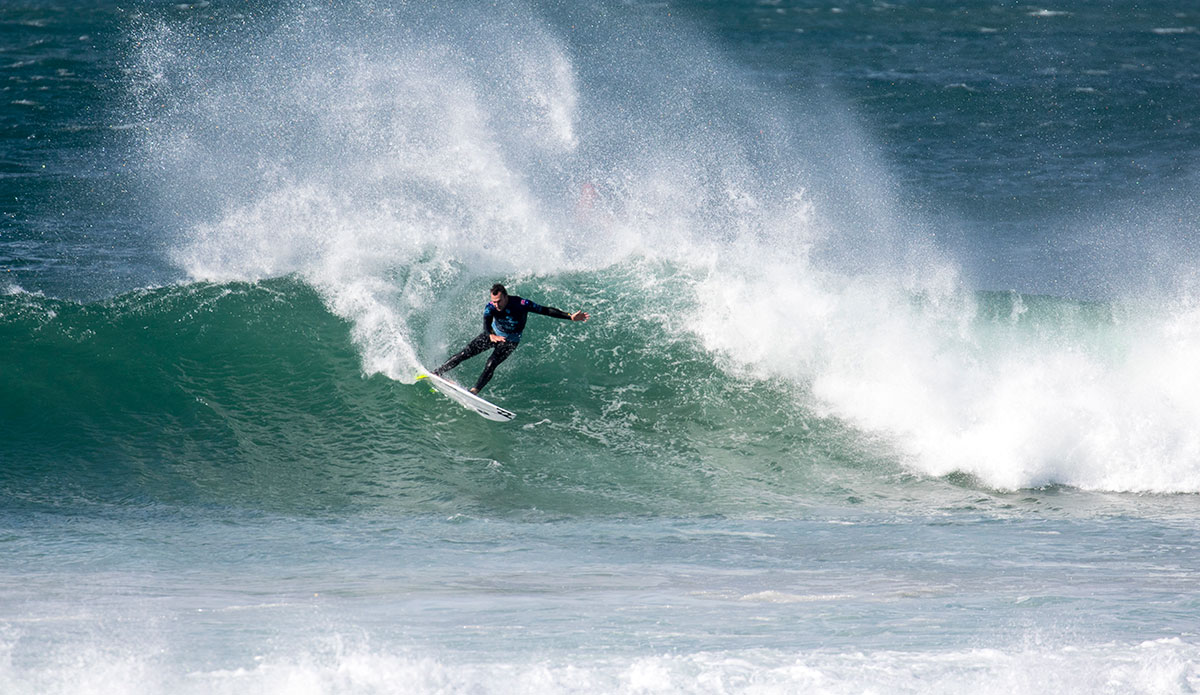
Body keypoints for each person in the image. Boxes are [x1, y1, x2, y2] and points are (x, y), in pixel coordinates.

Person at [432, 283, 589, 394]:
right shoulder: (490, 307)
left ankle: (474, 391)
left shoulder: (521, 304)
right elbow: (486, 324)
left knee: (491, 363)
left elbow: (546, 310)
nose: (496, 305)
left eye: (499, 301)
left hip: (510, 341)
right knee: (464, 353)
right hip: (493, 334)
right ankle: (437, 372)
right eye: (494, 301)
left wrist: (569, 316)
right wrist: (491, 335)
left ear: (506, 297)